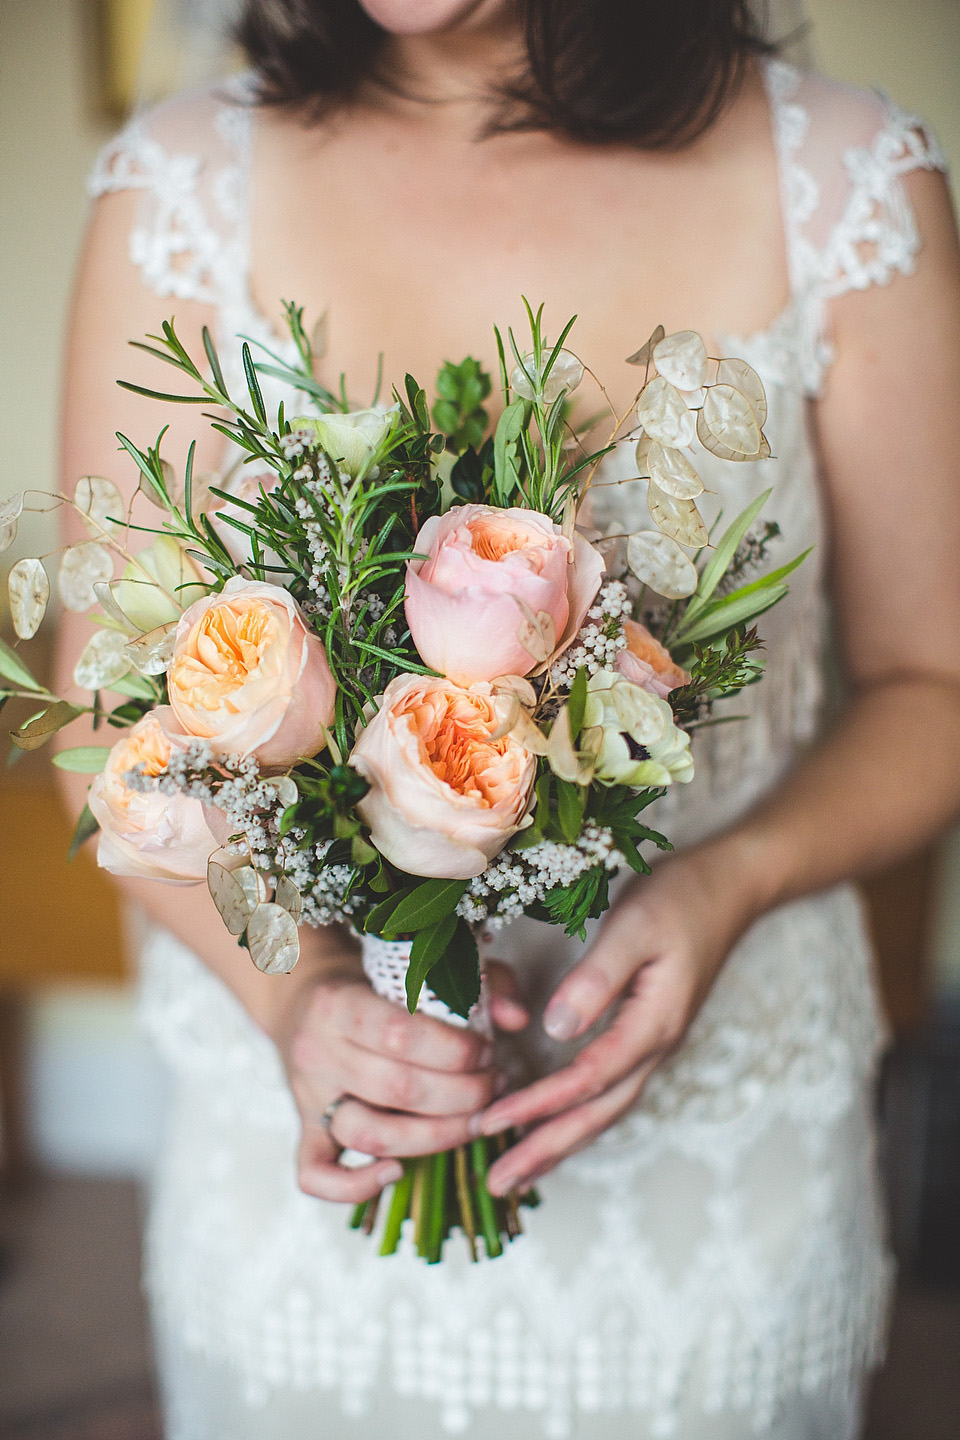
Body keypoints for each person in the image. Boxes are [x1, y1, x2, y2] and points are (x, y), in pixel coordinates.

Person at [56, 2, 960, 1436]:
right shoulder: (177, 190)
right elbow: (101, 725)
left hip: (712, 1191)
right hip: (305, 1173)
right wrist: (295, 1000)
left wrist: (728, 881)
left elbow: (937, 689)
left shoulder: (841, 184)